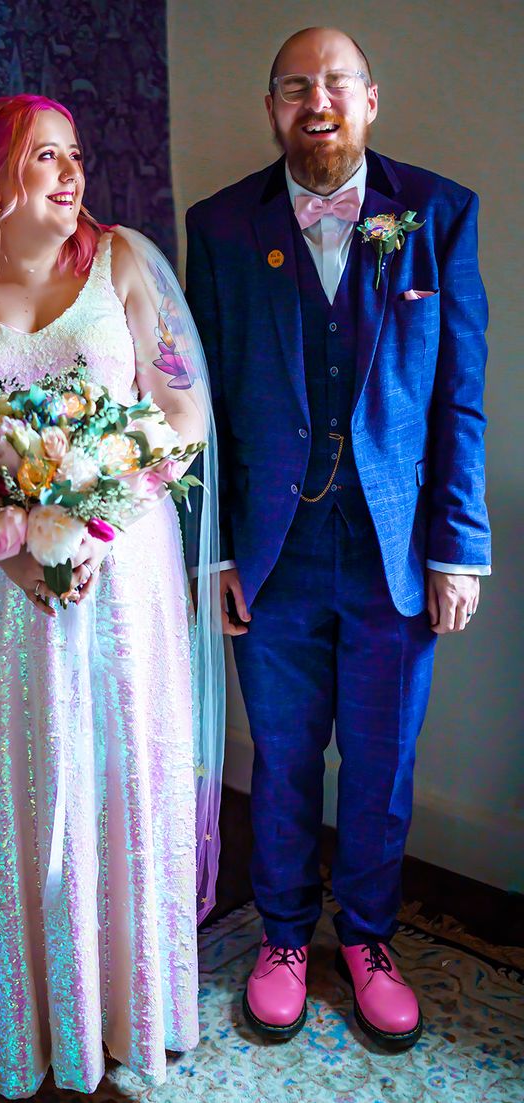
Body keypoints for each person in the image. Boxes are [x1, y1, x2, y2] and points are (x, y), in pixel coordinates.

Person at [0, 94, 224, 1097]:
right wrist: (3, 541)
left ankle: (129, 1007)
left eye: (74, 155)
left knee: (119, 778)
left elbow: (180, 411)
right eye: (45, 158)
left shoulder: (122, 265)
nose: (71, 175)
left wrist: (111, 499)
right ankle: (25, 1020)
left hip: (121, 580)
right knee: (15, 785)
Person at [185, 26, 490, 1050]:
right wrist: (213, 549)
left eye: (335, 85)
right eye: (293, 87)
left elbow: (460, 396)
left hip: (395, 554)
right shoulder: (222, 226)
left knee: (381, 758)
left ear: (370, 100)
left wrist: (458, 546)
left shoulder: (438, 213)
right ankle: (279, 936)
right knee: (280, 758)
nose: (316, 103)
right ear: (272, 107)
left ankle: (366, 937)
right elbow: (202, 407)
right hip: (271, 554)